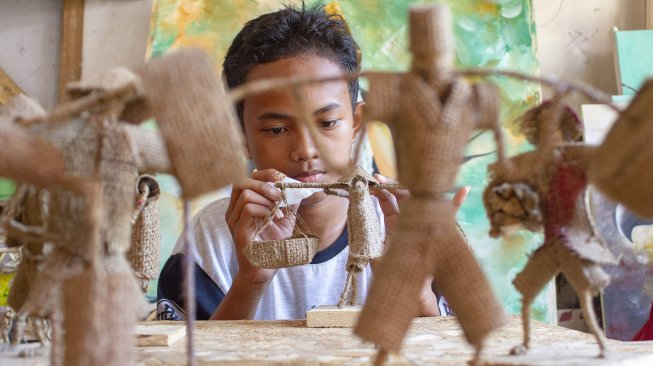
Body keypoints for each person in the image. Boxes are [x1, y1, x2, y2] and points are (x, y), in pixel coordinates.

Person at [156, 3, 467, 321]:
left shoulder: (405, 229)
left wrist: (414, 291)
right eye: (277, 129)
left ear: (356, 124)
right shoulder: (209, 240)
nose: (306, 150)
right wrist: (251, 279)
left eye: (328, 123)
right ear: (241, 137)